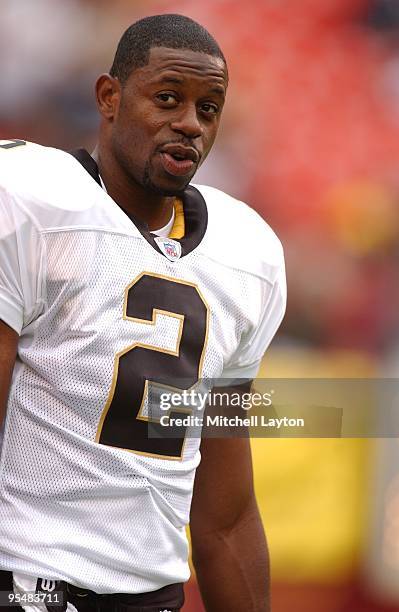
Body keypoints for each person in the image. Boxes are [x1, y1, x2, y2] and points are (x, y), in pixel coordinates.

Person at [0, 13, 286, 612]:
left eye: (209, 109)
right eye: (167, 99)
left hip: (153, 596)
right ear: (109, 97)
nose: (189, 124)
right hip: (30, 586)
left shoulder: (248, 255)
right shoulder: (30, 201)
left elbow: (226, 516)